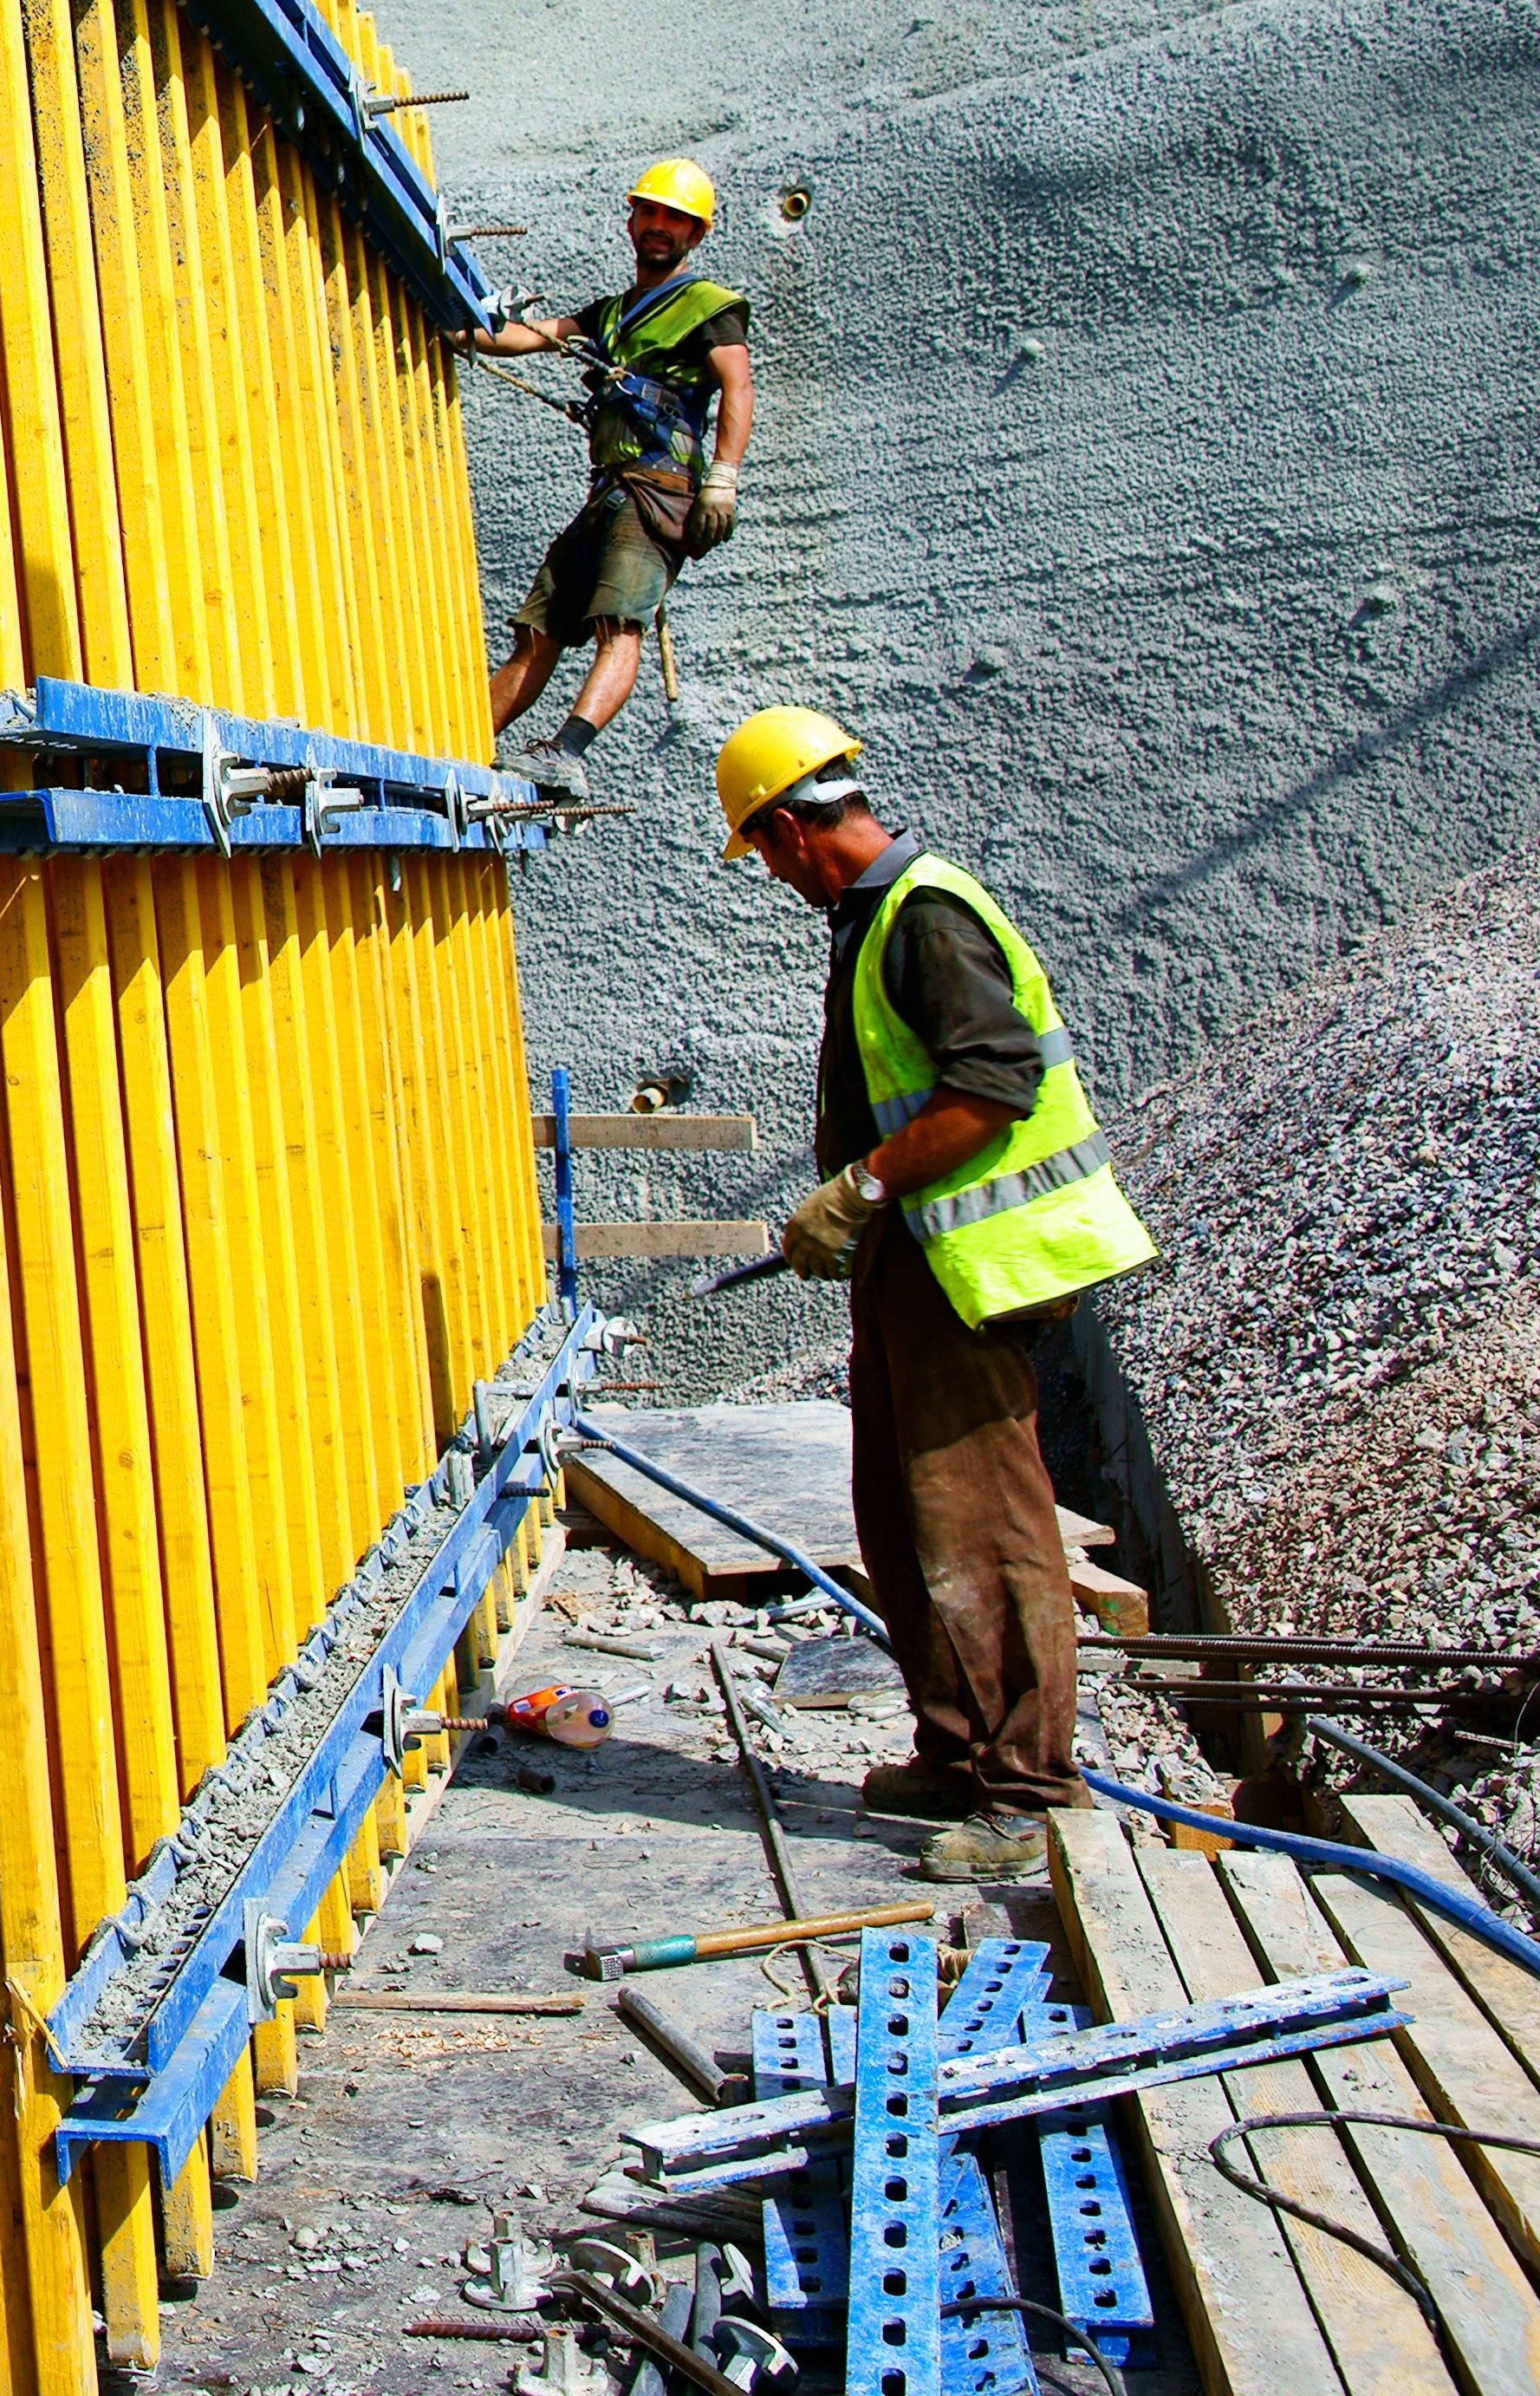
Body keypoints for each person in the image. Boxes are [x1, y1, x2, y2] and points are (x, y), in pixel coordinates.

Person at [714, 706, 1158, 1884]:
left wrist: (857, 1187)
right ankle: (959, 1752)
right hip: (913, 1264)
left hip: (970, 1272)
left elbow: (991, 1088)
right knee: (903, 1518)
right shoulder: (876, 918)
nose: (770, 875)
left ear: (792, 831)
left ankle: (1025, 1792)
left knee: (988, 1532)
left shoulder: (925, 919)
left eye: (761, 853)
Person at [458, 160, 752, 795]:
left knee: (617, 626)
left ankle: (564, 754)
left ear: (695, 235)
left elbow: (737, 386)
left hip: (659, 491)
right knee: (537, 634)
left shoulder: (708, 307)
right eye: (649, 213)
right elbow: (533, 336)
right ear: (631, 221)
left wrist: (722, 477)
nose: (657, 226)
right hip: (609, 491)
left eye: (674, 218)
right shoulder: (613, 312)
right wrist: (460, 330)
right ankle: (463, 745)